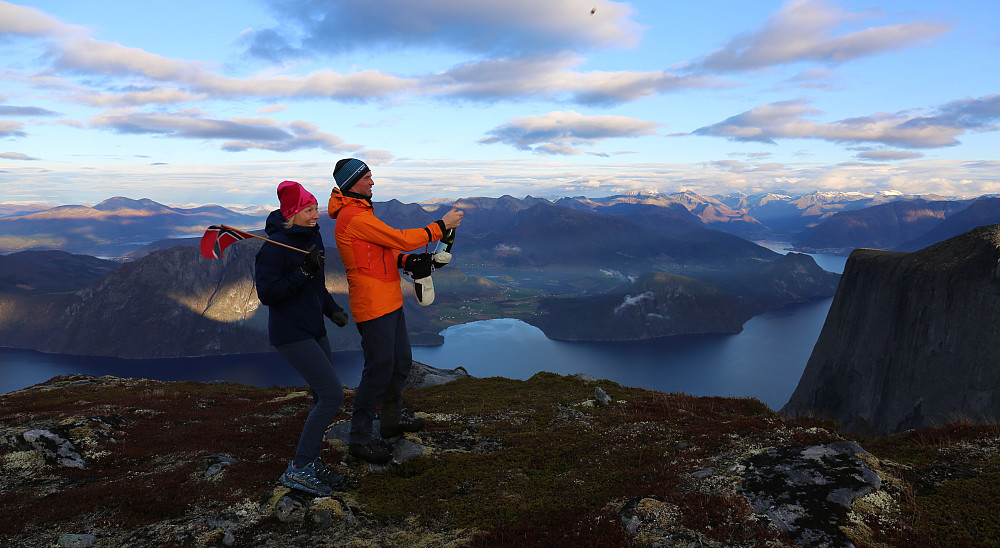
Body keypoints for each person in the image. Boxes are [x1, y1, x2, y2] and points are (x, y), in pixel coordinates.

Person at [328, 158, 463, 464]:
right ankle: (359, 438)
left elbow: (381, 250)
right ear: (352, 184)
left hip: (390, 301)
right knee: (378, 370)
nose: (372, 182)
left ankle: (391, 421)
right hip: (372, 305)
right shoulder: (352, 216)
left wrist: (405, 262)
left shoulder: (362, 211)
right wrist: (441, 227)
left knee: (400, 362)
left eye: (371, 177)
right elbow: (398, 238)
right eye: (367, 178)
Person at [255, 180, 351, 496]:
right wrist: (303, 273)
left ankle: (312, 462)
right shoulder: (273, 249)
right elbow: (267, 295)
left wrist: (333, 310)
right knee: (332, 395)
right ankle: (298, 469)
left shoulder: (313, 239)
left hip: (314, 328)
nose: (316, 215)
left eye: (316, 209)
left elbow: (316, 288)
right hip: (290, 334)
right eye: (309, 210)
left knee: (319, 397)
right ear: (292, 214)